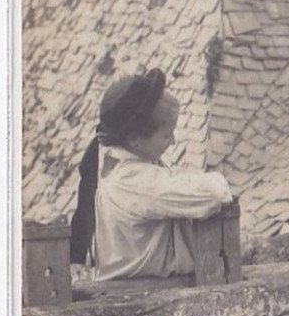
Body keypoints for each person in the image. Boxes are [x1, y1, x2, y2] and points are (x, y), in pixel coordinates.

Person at [70, 67, 233, 280]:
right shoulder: (133, 182)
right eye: (166, 135)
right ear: (134, 139)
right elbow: (215, 194)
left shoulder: (110, 155)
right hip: (142, 293)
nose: (173, 141)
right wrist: (212, 180)